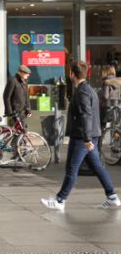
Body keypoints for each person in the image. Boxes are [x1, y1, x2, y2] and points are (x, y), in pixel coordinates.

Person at [41, 60, 121, 211]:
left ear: (72, 75)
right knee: (97, 167)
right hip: (88, 135)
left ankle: (60, 200)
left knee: (72, 168)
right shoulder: (89, 89)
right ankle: (112, 197)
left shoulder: (82, 92)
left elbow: (86, 115)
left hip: (82, 137)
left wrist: (87, 139)